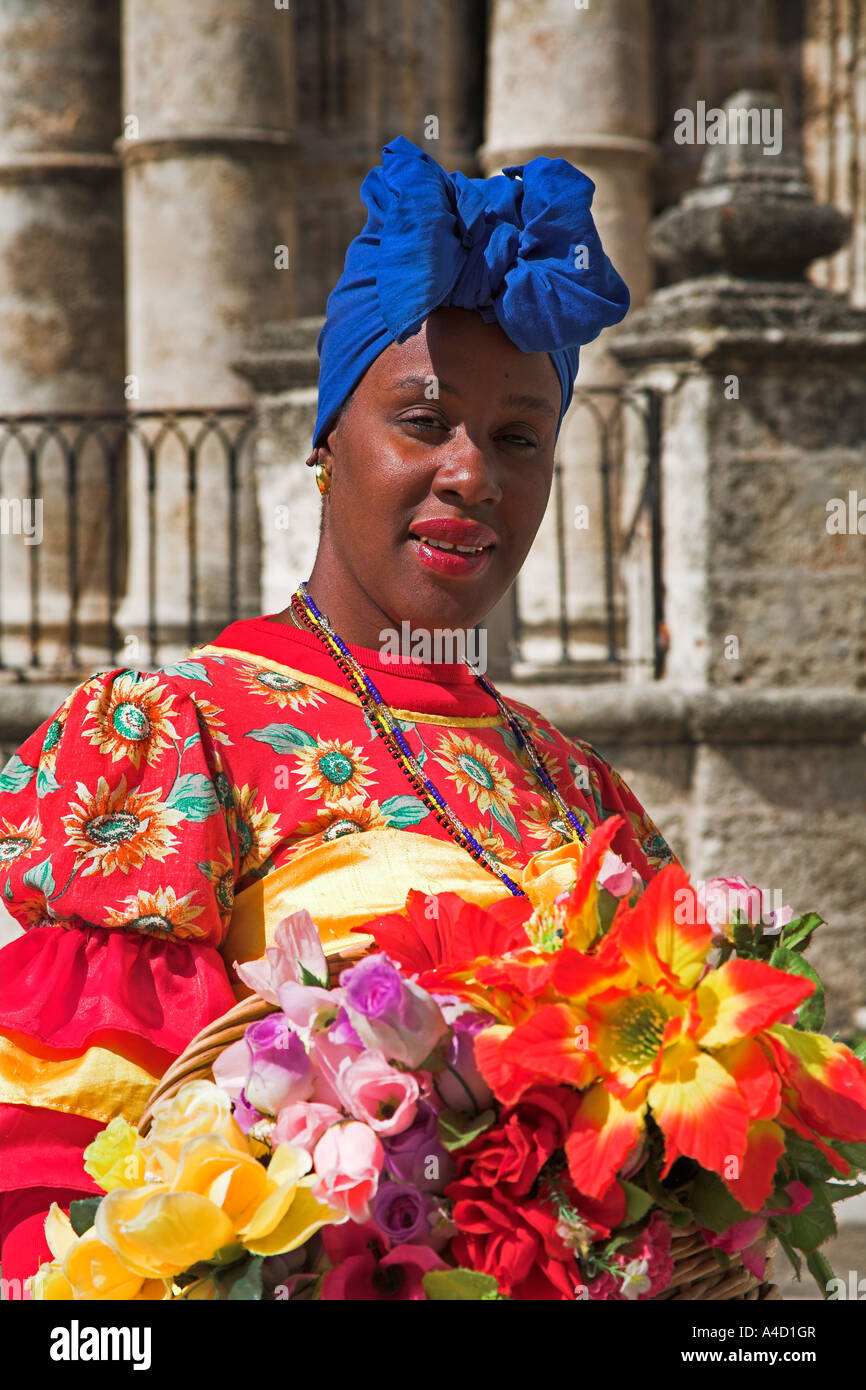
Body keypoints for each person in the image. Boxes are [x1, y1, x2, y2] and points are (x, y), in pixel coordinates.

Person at [0, 136, 678, 1286]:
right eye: (423, 421)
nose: (472, 473)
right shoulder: (171, 733)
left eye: (518, 438)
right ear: (326, 446)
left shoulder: (576, 786)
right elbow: (66, 1216)